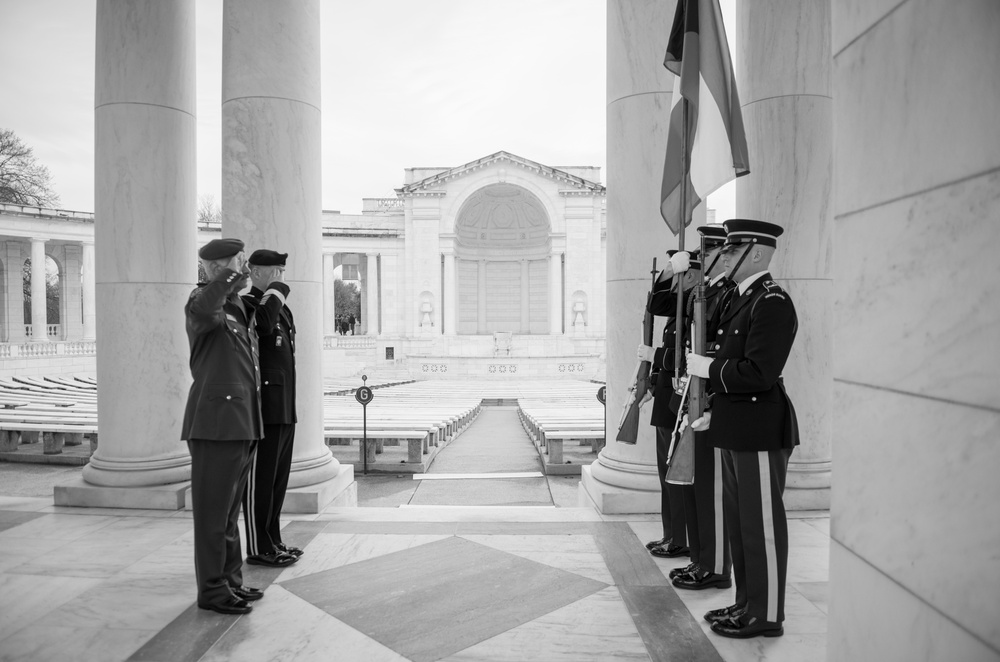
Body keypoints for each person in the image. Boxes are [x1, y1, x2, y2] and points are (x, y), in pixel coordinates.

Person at [686, 219, 799, 639]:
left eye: (732, 251)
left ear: (755, 252)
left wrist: (709, 368)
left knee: (761, 525)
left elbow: (759, 372)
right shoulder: (741, 299)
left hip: (759, 428)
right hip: (736, 425)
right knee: (740, 524)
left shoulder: (772, 302)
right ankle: (747, 602)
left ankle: (767, 614)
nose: (723, 257)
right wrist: (713, 407)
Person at [181, 237, 264, 615]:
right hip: (216, 424)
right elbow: (205, 306)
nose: (244, 269)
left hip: (241, 422)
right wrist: (227, 278)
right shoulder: (203, 303)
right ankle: (212, 590)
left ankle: (231, 581)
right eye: (238, 263)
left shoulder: (233, 307)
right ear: (216, 269)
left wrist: (234, 282)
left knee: (230, 513)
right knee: (213, 514)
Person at [671, 224, 734, 592]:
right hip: (694, 390)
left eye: (707, 253)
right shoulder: (704, 291)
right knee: (697, 484)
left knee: (710, 488)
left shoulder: (724, 294)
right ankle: (701, 557)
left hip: (711, 395)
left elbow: (718, 349)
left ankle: (715, 566)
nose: (705, 259)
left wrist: (705, 389)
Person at [636, 249, 701, 560]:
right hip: (666, 395)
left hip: (680, 397)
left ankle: (681, 537)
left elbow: (684, 357)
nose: (675, 281)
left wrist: (654, 358)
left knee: (677, 472)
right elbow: (656, 304)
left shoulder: (696, 306)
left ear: (691, 275)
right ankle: (671, 533)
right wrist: (665, 273)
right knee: (666, 471)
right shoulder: (679, 306)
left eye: (679, 274)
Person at [240, 250, 303, 567]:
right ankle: (258, 547)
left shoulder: (281, 308)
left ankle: (273, 539)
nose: (281, 276)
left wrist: (276, 293)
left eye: (281, 271)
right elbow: (262, 328)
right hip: (264, 407)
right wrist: (276, 291)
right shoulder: (250, 304)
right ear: (256, 273)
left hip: (283, 405)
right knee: (260, 481)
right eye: (275, 271)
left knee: (278, 480)